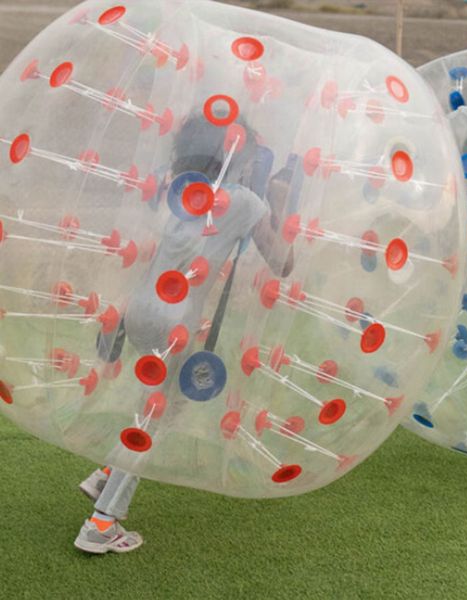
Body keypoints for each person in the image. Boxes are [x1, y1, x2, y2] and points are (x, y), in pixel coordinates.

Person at [74, 113, 296, 554]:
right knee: (158, 415)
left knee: (155, 405)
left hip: (140, 311)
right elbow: (283, 263)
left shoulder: (175, 193)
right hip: (173, 325)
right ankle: (101, 525)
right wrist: (280, 201)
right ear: (235, 154)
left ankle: (106, 475)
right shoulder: (244, 203)